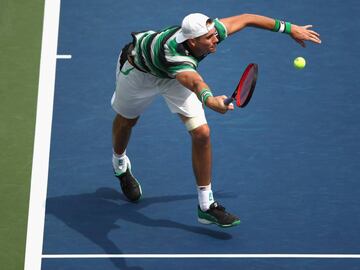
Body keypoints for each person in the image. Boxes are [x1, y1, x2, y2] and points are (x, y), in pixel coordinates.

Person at [111, 13, 321, 228]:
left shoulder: (210, 33)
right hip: (138, 73)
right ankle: (120, 165)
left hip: (176, 75)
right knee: (127, 122)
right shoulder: (175, 57)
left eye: (215, 35)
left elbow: (248, 19)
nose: (216, 39)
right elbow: (194, 82)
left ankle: (206, 206)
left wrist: (289, 28)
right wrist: (211, 101)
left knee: (202, 133)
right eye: (209, 38)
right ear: (193, 41)